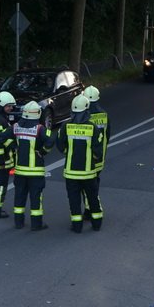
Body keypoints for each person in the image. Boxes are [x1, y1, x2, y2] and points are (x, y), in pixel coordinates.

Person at [57, 94, 104, 233]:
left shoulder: (66, 126)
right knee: (92, 198)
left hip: (71, 173)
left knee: (74, 200)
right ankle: (96, 224)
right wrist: (92, 159)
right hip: (88, 173)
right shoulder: (93, 128)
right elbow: (98, 150)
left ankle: (77, 226)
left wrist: (69, 152)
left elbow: (60, 145)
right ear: (87, 110)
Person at [12, 101, 54, 231]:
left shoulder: (16, 126)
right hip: (35, 172)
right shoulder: (40, 129)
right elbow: (51, 140)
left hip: (19, 171)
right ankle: (36, 224)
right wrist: (42, 152)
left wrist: (14, 148)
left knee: (19, 196)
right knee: (36, 198)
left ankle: (18, 223)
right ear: (37, 114)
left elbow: (2, 137)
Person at [83, 85, 110, 221]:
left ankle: (92, 211)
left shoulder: (85, 117)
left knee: (87, 186)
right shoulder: (104, 114)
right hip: (101, 157)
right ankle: (90, 209)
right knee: (94, 183)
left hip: (88, 159)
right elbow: (108, 135)